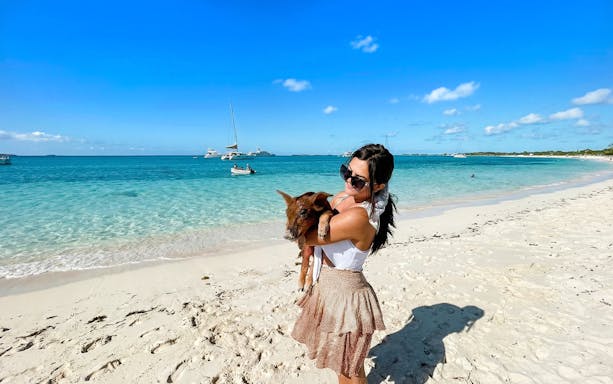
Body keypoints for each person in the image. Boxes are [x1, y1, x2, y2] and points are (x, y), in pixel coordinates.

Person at [291, 143, 396, 384]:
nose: (348, 182)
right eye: (346, 172)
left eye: (358, 180)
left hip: (347, 299)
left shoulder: (359, 217)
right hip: (330, 291)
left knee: (350, 370)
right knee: (342, 365)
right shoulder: (343, 198)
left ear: (378, 186)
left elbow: (302, 235)